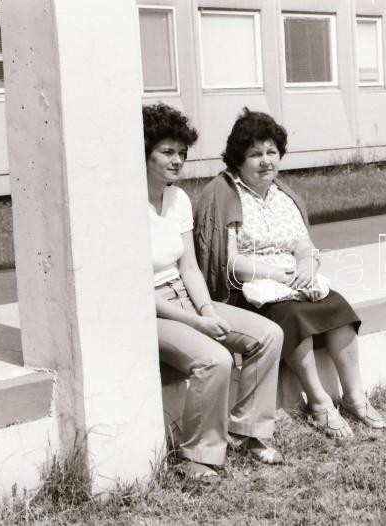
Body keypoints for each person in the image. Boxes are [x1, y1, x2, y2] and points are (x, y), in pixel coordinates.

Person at [194, 108, 386, 439]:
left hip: (290, 280)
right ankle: (319, 403)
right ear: (238, 158)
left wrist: (308, 266)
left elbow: (304, 245)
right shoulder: (224, 194)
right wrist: (277, 275)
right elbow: (228, 261)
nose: (265, 161)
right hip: (248, 288)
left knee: (337, 309)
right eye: (255, 154)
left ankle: (355, 396)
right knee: (292, 315)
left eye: (271, 152)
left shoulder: (282, 195)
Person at [144, 103, 285, 480]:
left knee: (268, 335)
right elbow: (138, 291)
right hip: (151, 311)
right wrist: (196, 323)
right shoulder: (126, 208)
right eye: (167, 152)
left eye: (182, 152)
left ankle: (247, 432)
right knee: (215, 359)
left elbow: (189, 267)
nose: (177, 160)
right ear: (144, 153)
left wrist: (206, 309)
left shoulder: (177, 199)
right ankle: (197, 457)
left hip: (186, 297)